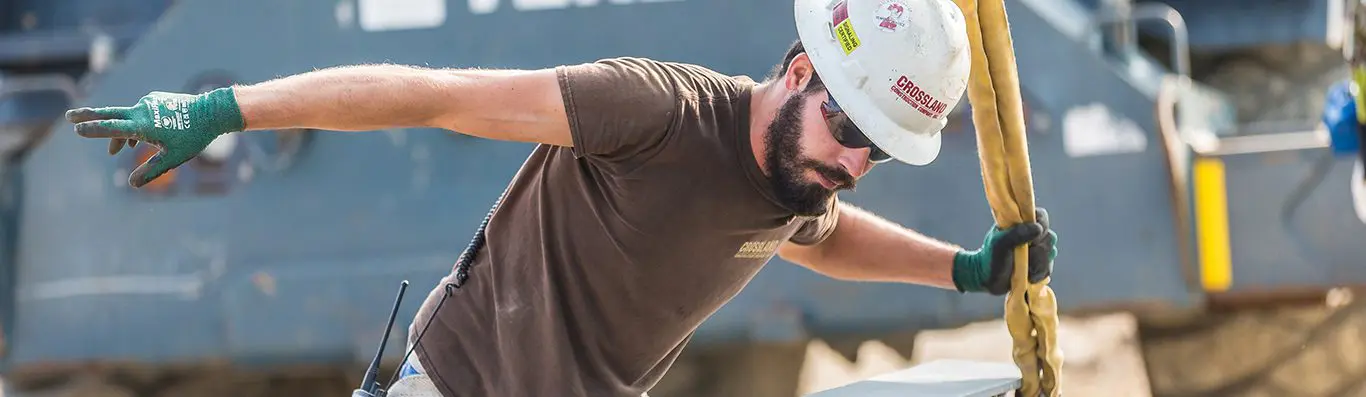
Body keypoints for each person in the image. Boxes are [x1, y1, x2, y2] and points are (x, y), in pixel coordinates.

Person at [62, 0, 1059, 396]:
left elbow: (823, 236)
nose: (850, 161)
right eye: (848, 129)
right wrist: (225, 107)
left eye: (876, 151)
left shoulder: (790, 176)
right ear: (799, 71)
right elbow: (433, 96)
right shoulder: (657, 112)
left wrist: (966, 269)